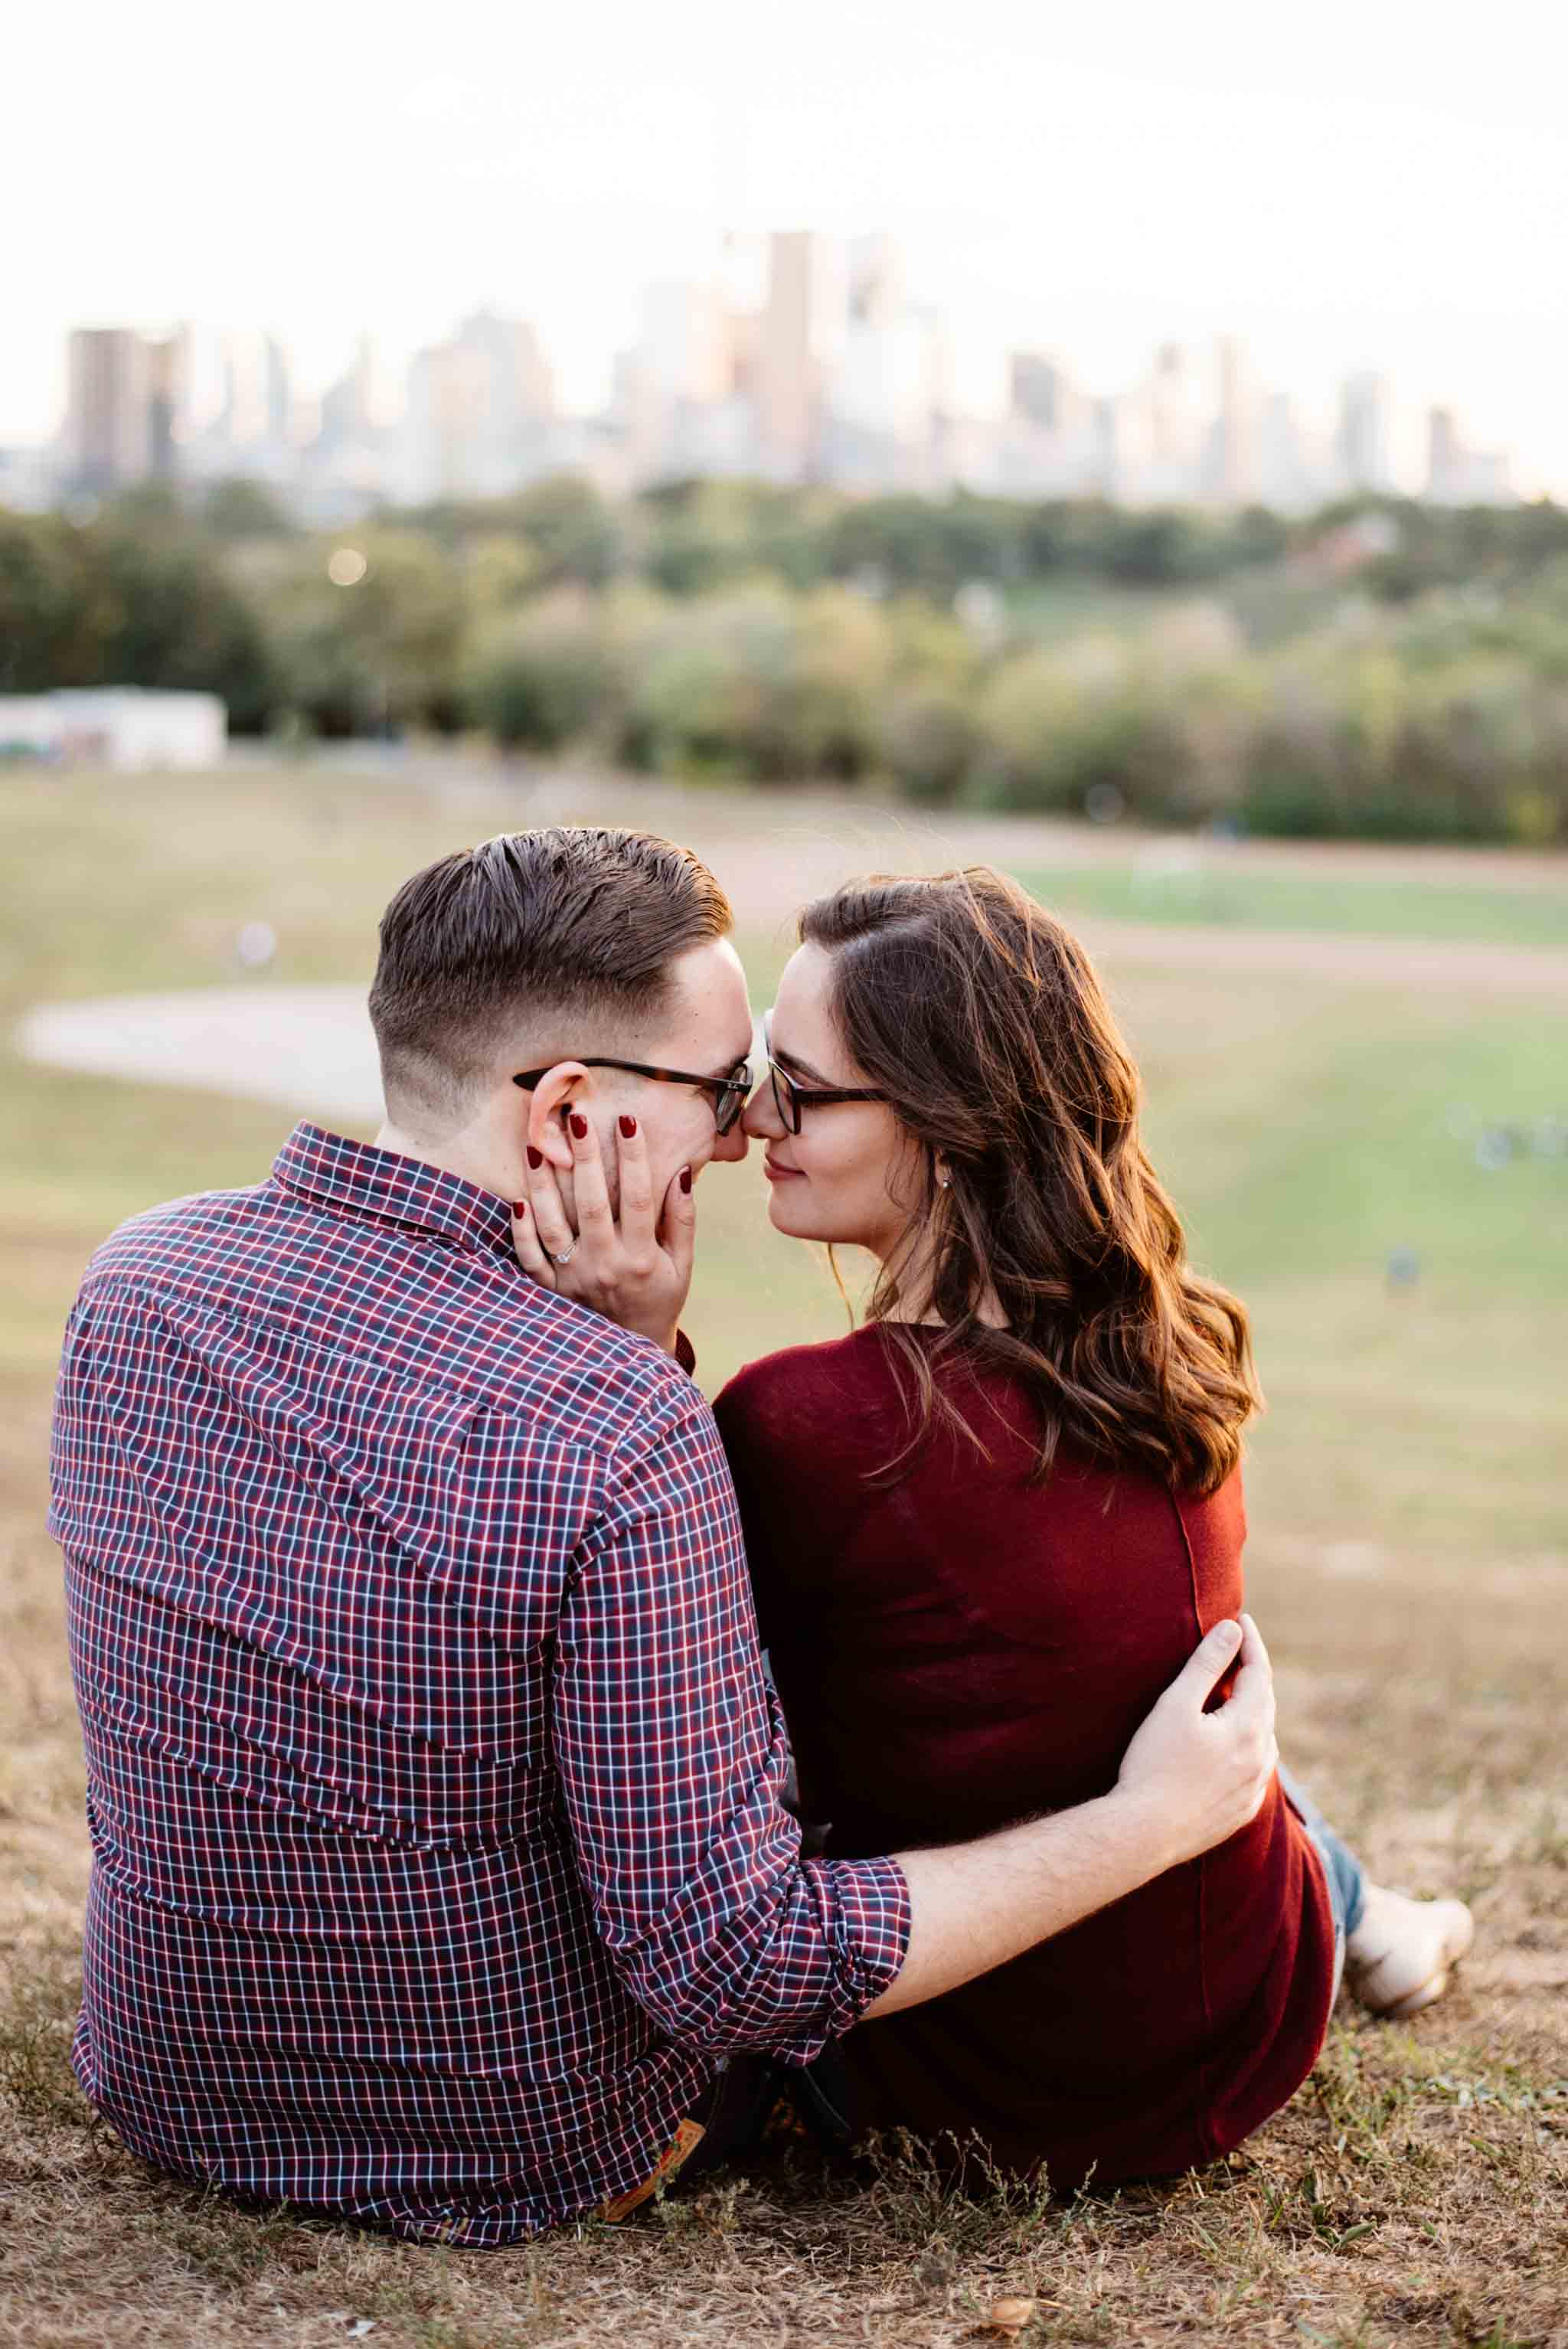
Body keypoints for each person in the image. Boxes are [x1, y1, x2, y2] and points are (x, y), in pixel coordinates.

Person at [50, 829, 1278, 2246]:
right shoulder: (616, 1430)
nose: (744, 1128)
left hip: (170, 2082)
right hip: (514, 2142)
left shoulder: (136, 1278)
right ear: (572, 1112)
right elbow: (743, 1963)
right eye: (720, 1088)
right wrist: (1153, 1821)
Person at [519, 862, 1475, 2195]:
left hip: (972, 2094)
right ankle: (1374, 1917)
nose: (754, 1126)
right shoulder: (1170, 1347)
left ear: (949, 1125)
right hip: (1244, 2013)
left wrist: (622, 1356)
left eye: (799, 1088)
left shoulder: (808, 1425)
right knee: (1206, 1747)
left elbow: (695, 1736)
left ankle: (1370, 1905)